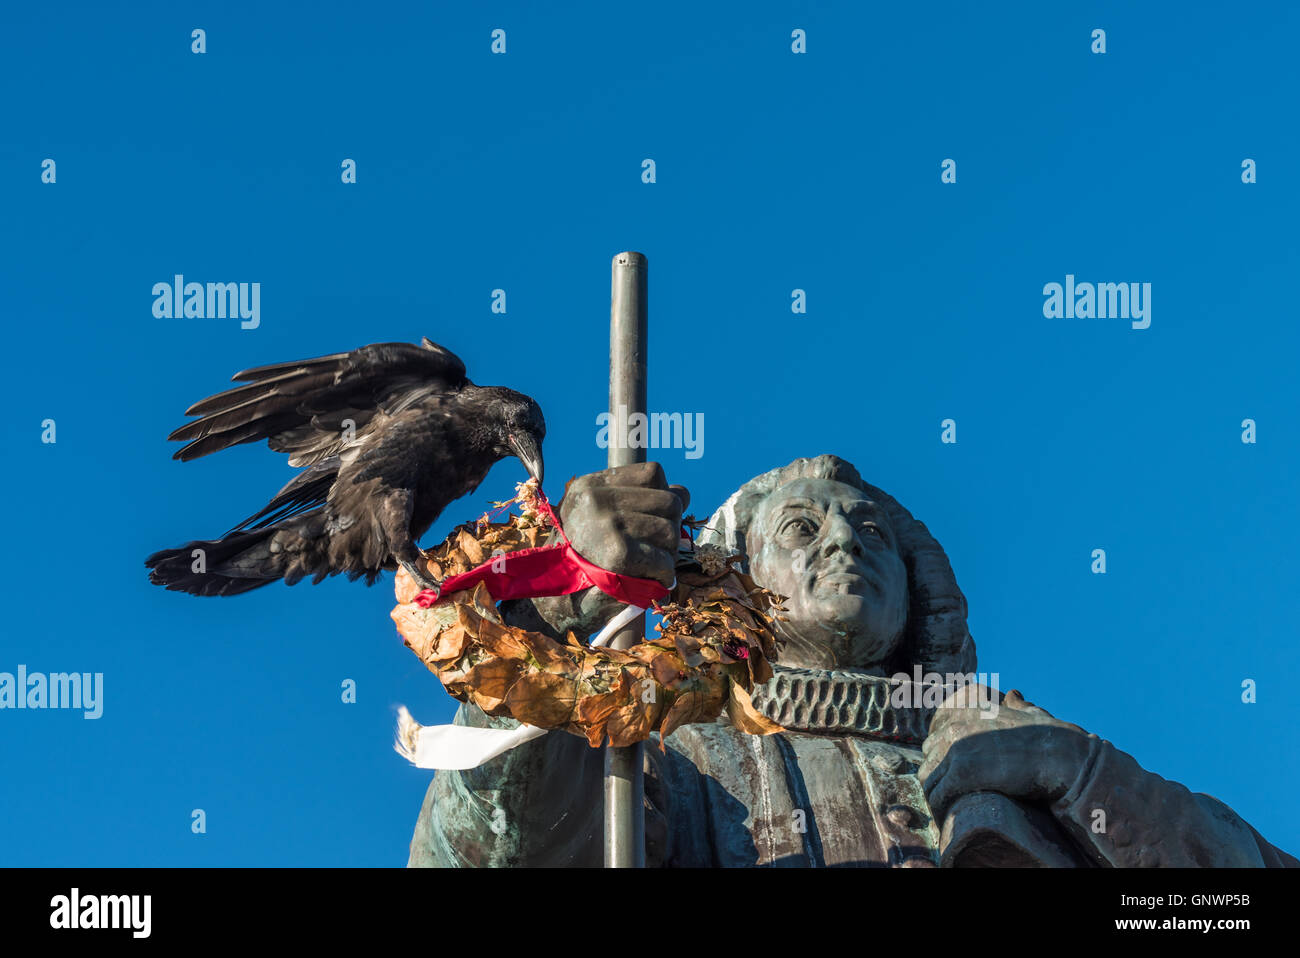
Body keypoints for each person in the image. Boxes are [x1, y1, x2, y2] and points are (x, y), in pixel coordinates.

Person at [408, 456, 1296, 867]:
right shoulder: (678, 763)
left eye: (872, 530)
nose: (845, 540)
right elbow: (484, 859)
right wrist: (567, 610)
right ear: (737, 576)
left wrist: (1095, 779)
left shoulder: (1017, 748)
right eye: (803, 528)